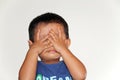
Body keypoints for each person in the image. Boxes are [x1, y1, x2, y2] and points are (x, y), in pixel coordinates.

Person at [19, 12, 87, 80]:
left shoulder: (70, 66)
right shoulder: (31, 68)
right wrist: (33, 51)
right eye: (44, 39)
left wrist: (62, 49)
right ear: (32, 45)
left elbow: (81, 76)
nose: (51, 43)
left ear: (66, 43)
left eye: (56, 39)